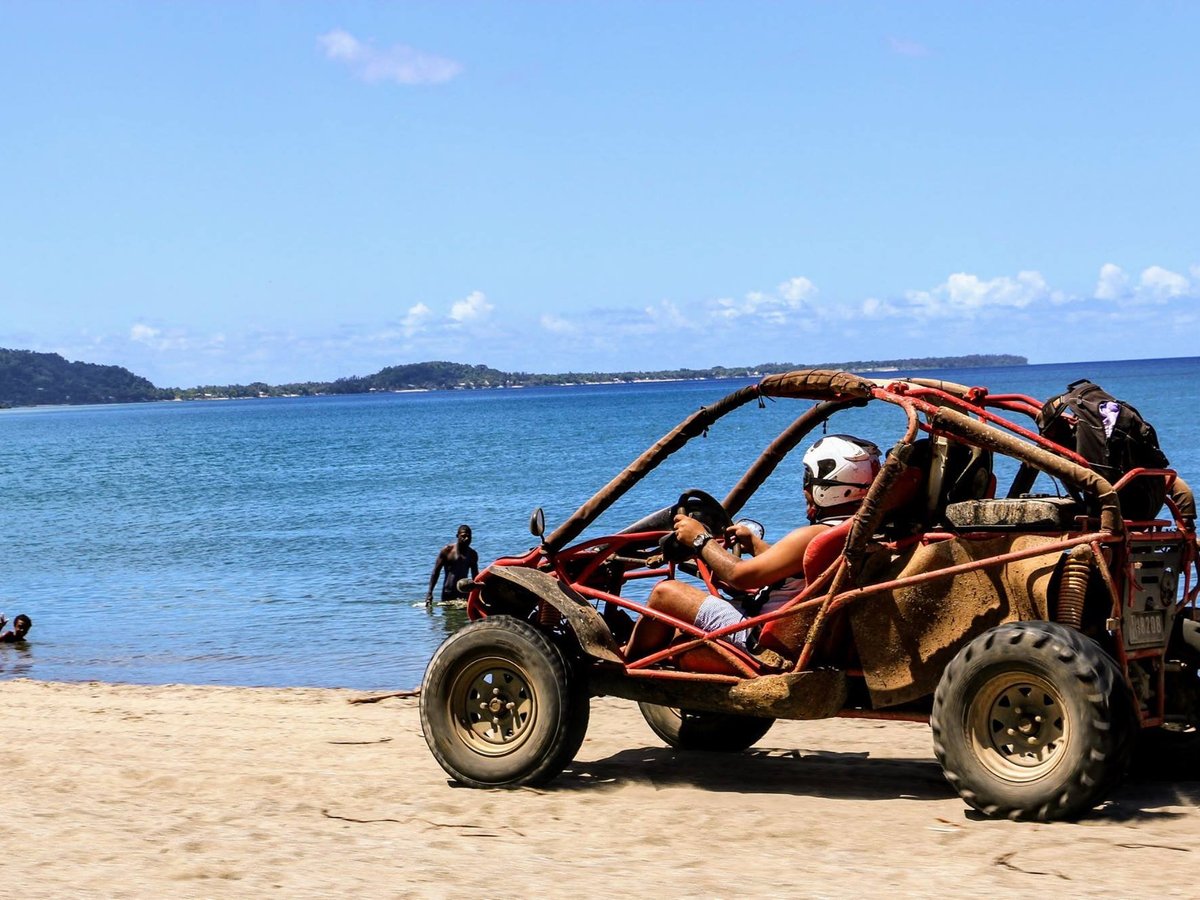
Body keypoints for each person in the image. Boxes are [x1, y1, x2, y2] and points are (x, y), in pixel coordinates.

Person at [625, 435, 881, 660]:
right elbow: (798, 571)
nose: (805, 489)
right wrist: (755, 545)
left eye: (808, 479)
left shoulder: (815, 535)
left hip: (762, 641)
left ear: (828, 485)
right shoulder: (858, 533)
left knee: (665, 593)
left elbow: (740, 576)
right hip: (802, 638)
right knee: (684, 621)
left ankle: (625, 662)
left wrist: (700, 539)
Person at [426, 525, 479, 607]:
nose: (466, 539)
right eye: (463, 536)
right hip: (448, 594)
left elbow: (475, 576)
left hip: (464, 594)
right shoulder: (447, 551)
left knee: (463, 619)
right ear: (457, 536)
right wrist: (430, 593)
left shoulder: (472, 554)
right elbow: (436, 572)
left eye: (469, 536)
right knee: (448, 617)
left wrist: (477, 594)